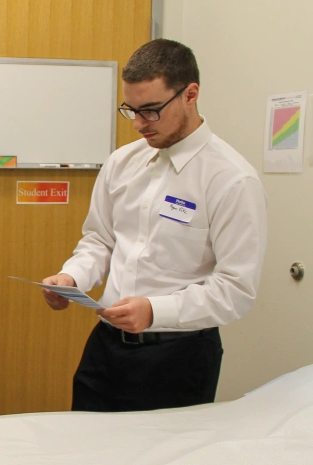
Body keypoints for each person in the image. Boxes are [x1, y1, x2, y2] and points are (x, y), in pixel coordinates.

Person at [42, 39, 267, 412]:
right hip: (106, 348)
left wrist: (154, 311)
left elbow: (236, 289)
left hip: (179, 357)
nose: (139, 125)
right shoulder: (122, 162)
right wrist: (72, 278)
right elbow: (100, 239)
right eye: (131, 110)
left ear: (190, 94)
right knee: (84, 458)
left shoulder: (231, 180)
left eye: (151, 111)